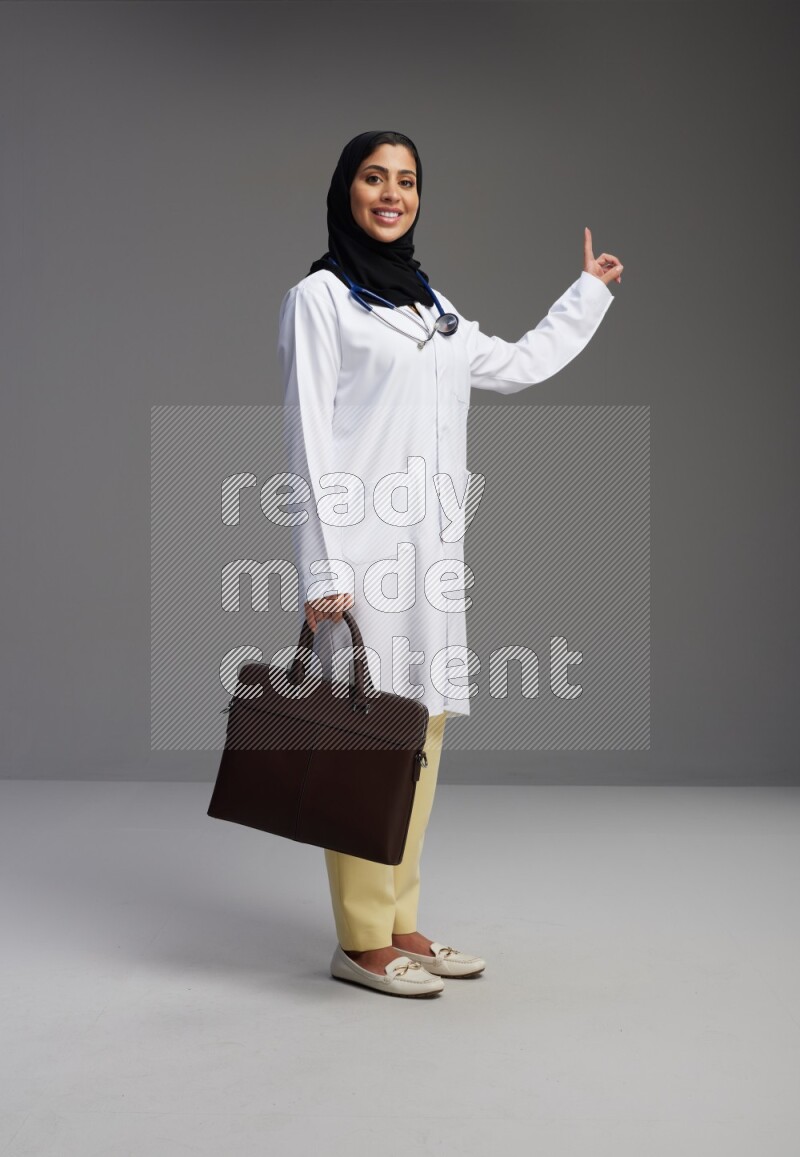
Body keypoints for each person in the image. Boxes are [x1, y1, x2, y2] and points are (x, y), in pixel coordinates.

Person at [278, 130, 623, 998]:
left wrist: (584, 295)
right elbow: (308, 439)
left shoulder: (433, 308)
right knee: (365, 737)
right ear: (346, 190)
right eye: (373, 177)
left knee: (421, 735)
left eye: (405, 181)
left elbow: (514, 366)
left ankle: (399, 919)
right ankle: (359, 940)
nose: (391, 194)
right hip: (358, 556)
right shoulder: (320, 299)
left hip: (431, 555)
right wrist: (321, 567)